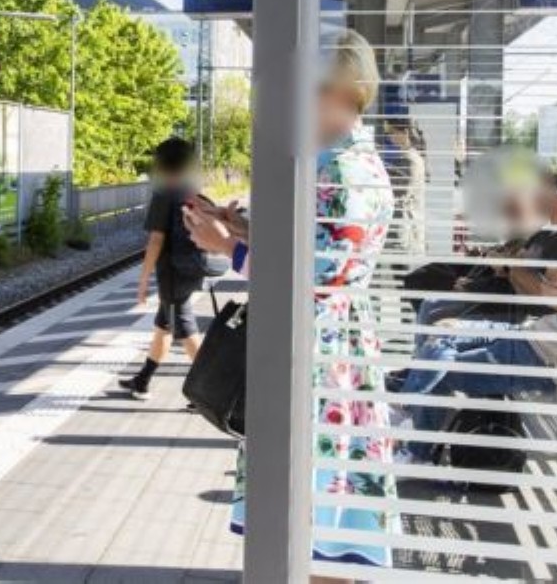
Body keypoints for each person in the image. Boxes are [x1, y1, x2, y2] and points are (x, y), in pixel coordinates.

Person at [184, 29, 400, 574]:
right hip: (338, 351)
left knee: (312, 529)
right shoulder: (348, 160)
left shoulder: (342, 170)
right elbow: (312, 250)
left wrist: (228, 248)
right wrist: (241, 227)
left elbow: (314, 281)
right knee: (322, 528)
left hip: (319, 359)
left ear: (341, 89)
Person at [395, 207, 557, 463]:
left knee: (439, 371)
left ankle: (417, 451)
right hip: (532, 335)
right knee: (443, 330)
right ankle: (409, 408)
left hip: (546, 365)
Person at [416, 166, 557, 333]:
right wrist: (499, 272)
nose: (536, 196)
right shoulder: (546, 233)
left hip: (514, 311)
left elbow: (546, 300)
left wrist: (508, 270)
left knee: (434, 306)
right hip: (500, 294)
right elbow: (514, 267)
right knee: (429, 298)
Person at [119, 138, 206, 401]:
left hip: (172, 274)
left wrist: (143, 279)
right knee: (164, 326)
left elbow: (156, 240)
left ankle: (208, 392)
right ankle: (142, 380)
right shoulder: (191, 191)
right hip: (190, 268)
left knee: (186, 331)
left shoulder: (164, 195)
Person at [385, 116, 428, 259]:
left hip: (406, 228)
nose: (390, 136)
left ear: (405, 132)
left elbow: (401, 193)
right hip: (407, 226)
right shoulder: (410, 157)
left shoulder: (410, 159)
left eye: (392, 132)